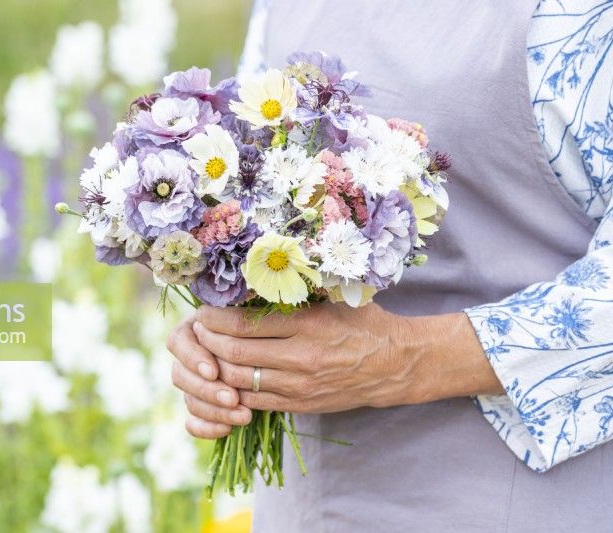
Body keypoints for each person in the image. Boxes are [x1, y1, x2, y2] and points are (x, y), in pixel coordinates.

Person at [166, 1, 613, 531]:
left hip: (509, 500)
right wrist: (224, 345)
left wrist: (404, 358)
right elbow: (245, 190)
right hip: (300, 500)